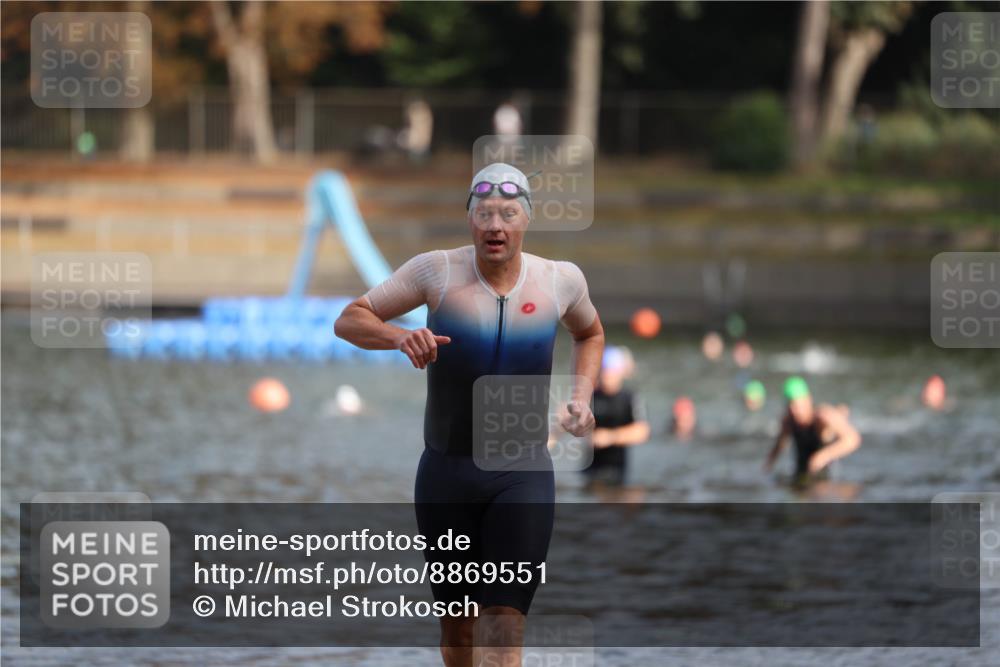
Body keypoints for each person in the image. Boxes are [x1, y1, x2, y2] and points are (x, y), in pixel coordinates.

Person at [334, 162, 604, 667]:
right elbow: (349, 319)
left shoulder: (559, 280)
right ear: (469, 219)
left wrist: (582, 396)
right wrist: (400, 337)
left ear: (526, 219)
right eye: (483, 214)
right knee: (459, 631)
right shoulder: (435, 271)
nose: (494, 226)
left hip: (521, 474)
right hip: (446, 473)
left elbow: (590, 333)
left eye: (507, 214)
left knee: (504, 624)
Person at [764, 376, 861, 487]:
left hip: (825, 480)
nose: (794, 411)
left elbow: (853, 439)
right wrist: (768, 466)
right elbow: (779, 446)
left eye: (797, 405)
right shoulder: (788, 421)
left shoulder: (823, 417)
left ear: (808, 400)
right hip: (801, 475)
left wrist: (824, 456)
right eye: (790, 406)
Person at [582, 346, 650, 488]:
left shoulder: (630, 398)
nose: (608, 374)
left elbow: (642, 431)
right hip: (591, 468)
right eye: (605, 370)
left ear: (620, 372)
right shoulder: (591, 396)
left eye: (612, 370)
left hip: (619, 469)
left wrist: (610, 437)